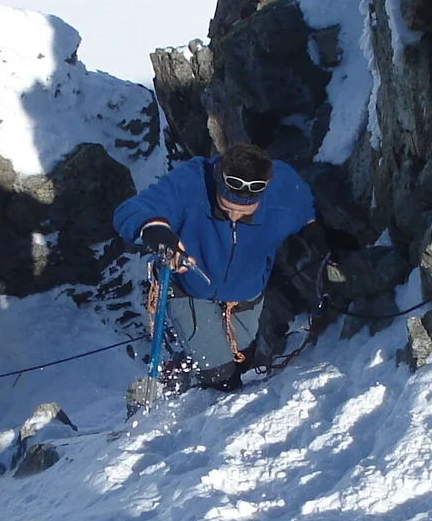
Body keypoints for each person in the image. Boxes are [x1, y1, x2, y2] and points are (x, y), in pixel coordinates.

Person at [113, 143, 317, 391]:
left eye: (244, 212)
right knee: (222, 376)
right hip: (190, 288)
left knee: (245, 357)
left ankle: (192, 359)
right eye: (227, 207)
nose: (233, 217)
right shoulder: (193, 181)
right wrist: (155, 229)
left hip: (246, 290)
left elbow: (310, 216)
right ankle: (181, 380)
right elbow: (129, 210)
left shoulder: (285, 190)